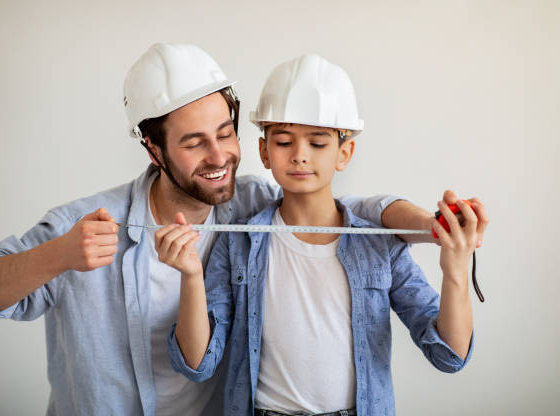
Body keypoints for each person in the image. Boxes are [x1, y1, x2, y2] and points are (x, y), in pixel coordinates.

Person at [0, 43, 482, 416]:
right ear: (153, 149)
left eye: (225, 134)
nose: (218, 157)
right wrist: (59, 254)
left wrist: (432, 226)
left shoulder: (247, 209)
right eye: (193, 143)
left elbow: (347, 210)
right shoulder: (88, 224)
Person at [159, 54, 489, 416]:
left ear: (344, 152)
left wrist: (455, 268)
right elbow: (197, 363)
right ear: (264, 151)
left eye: (317, 144)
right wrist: (191, 276)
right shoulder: (241, 242)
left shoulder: (377, 246)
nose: (300, 156)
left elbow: (449, 355)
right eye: (284, 142)